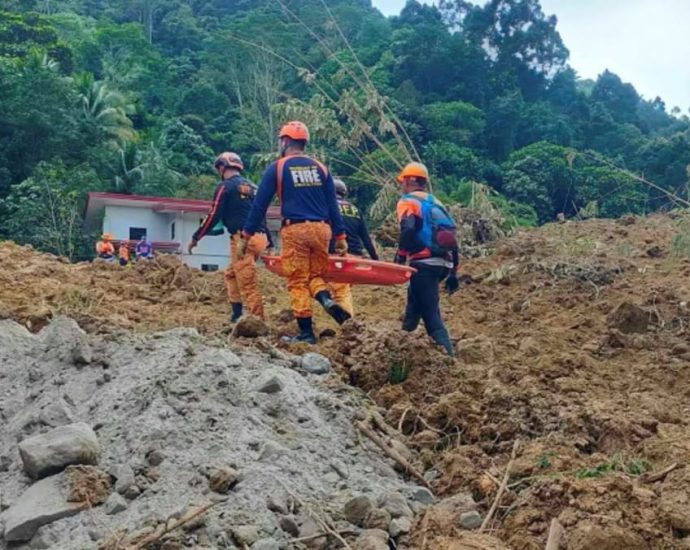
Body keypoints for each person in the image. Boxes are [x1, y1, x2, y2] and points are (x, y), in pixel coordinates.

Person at [243, 120, 349, 344]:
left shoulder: (278, 167)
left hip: (295, 229)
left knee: (297, 280)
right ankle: (326, 299)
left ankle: (306, 334)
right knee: (315, 275)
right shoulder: (321, 168)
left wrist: (247, 233)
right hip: (322, 229)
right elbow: (333, 205)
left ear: (284, 141)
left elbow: (259, 204)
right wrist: (340, 237)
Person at [187, 152, 271, 321]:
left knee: (247, 283)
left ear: (222, 167)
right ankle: (236, 315)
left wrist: (196, 237)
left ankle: (258, 322)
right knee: (231, 274)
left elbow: (214, 215)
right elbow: (261, 214)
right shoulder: (253, 187)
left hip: (243, 240)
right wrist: (269, 240)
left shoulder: (225, 187)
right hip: (261, 237)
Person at [394, 162, 459, 356]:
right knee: (415, 305)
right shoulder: (436, 202)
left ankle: (449, 360)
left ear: (409, 180)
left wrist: (401, 257)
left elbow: (408, 229)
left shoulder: (408, 201)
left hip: (423, 263)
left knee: (431, 314)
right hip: (443, 263)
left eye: (402, 181)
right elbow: (451, 236)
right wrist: (454, 270)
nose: (401, 185)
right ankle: (400, 348)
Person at [327, 178, 379, 317]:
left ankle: (348, 323)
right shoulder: (355, 210)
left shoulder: (327, 207)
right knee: (341, 289)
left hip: (337, 256)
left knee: (339, 292)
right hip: (355, 257)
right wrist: (376, 260)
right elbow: (366, 238)